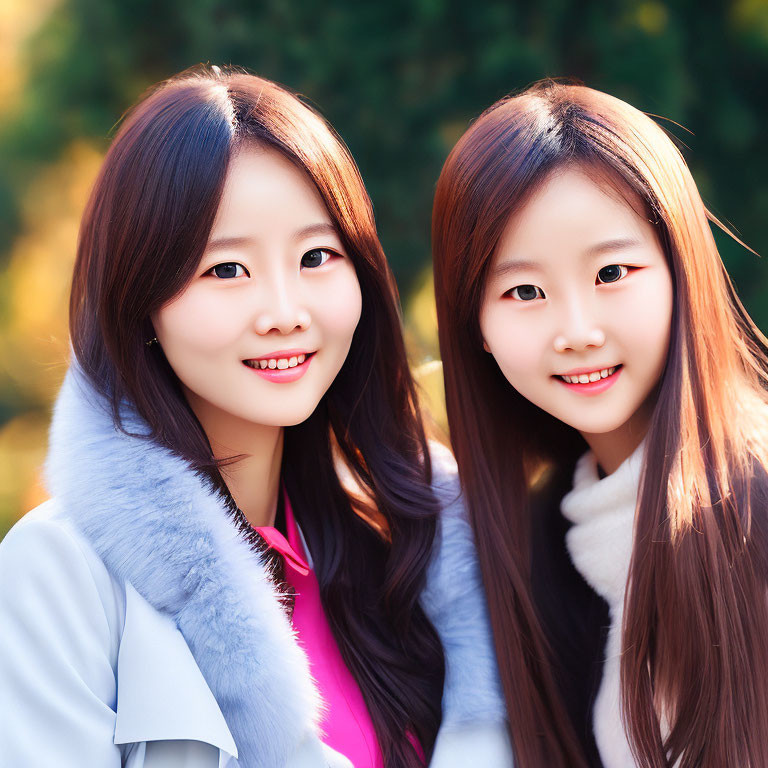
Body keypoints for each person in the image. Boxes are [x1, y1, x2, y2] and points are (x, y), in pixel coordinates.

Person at [0, 65, 509, 768]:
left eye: (316, 256)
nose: (284, 313)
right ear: (139, 298)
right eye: (227, 270)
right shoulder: (59, 574)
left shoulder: (410, 551)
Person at [431, 80, 768, 768]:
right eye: (525, 291)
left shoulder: (752, 513)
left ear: (681, 270)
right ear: (478, 328)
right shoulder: (541, 552)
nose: (577, 331)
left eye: (612, 271)